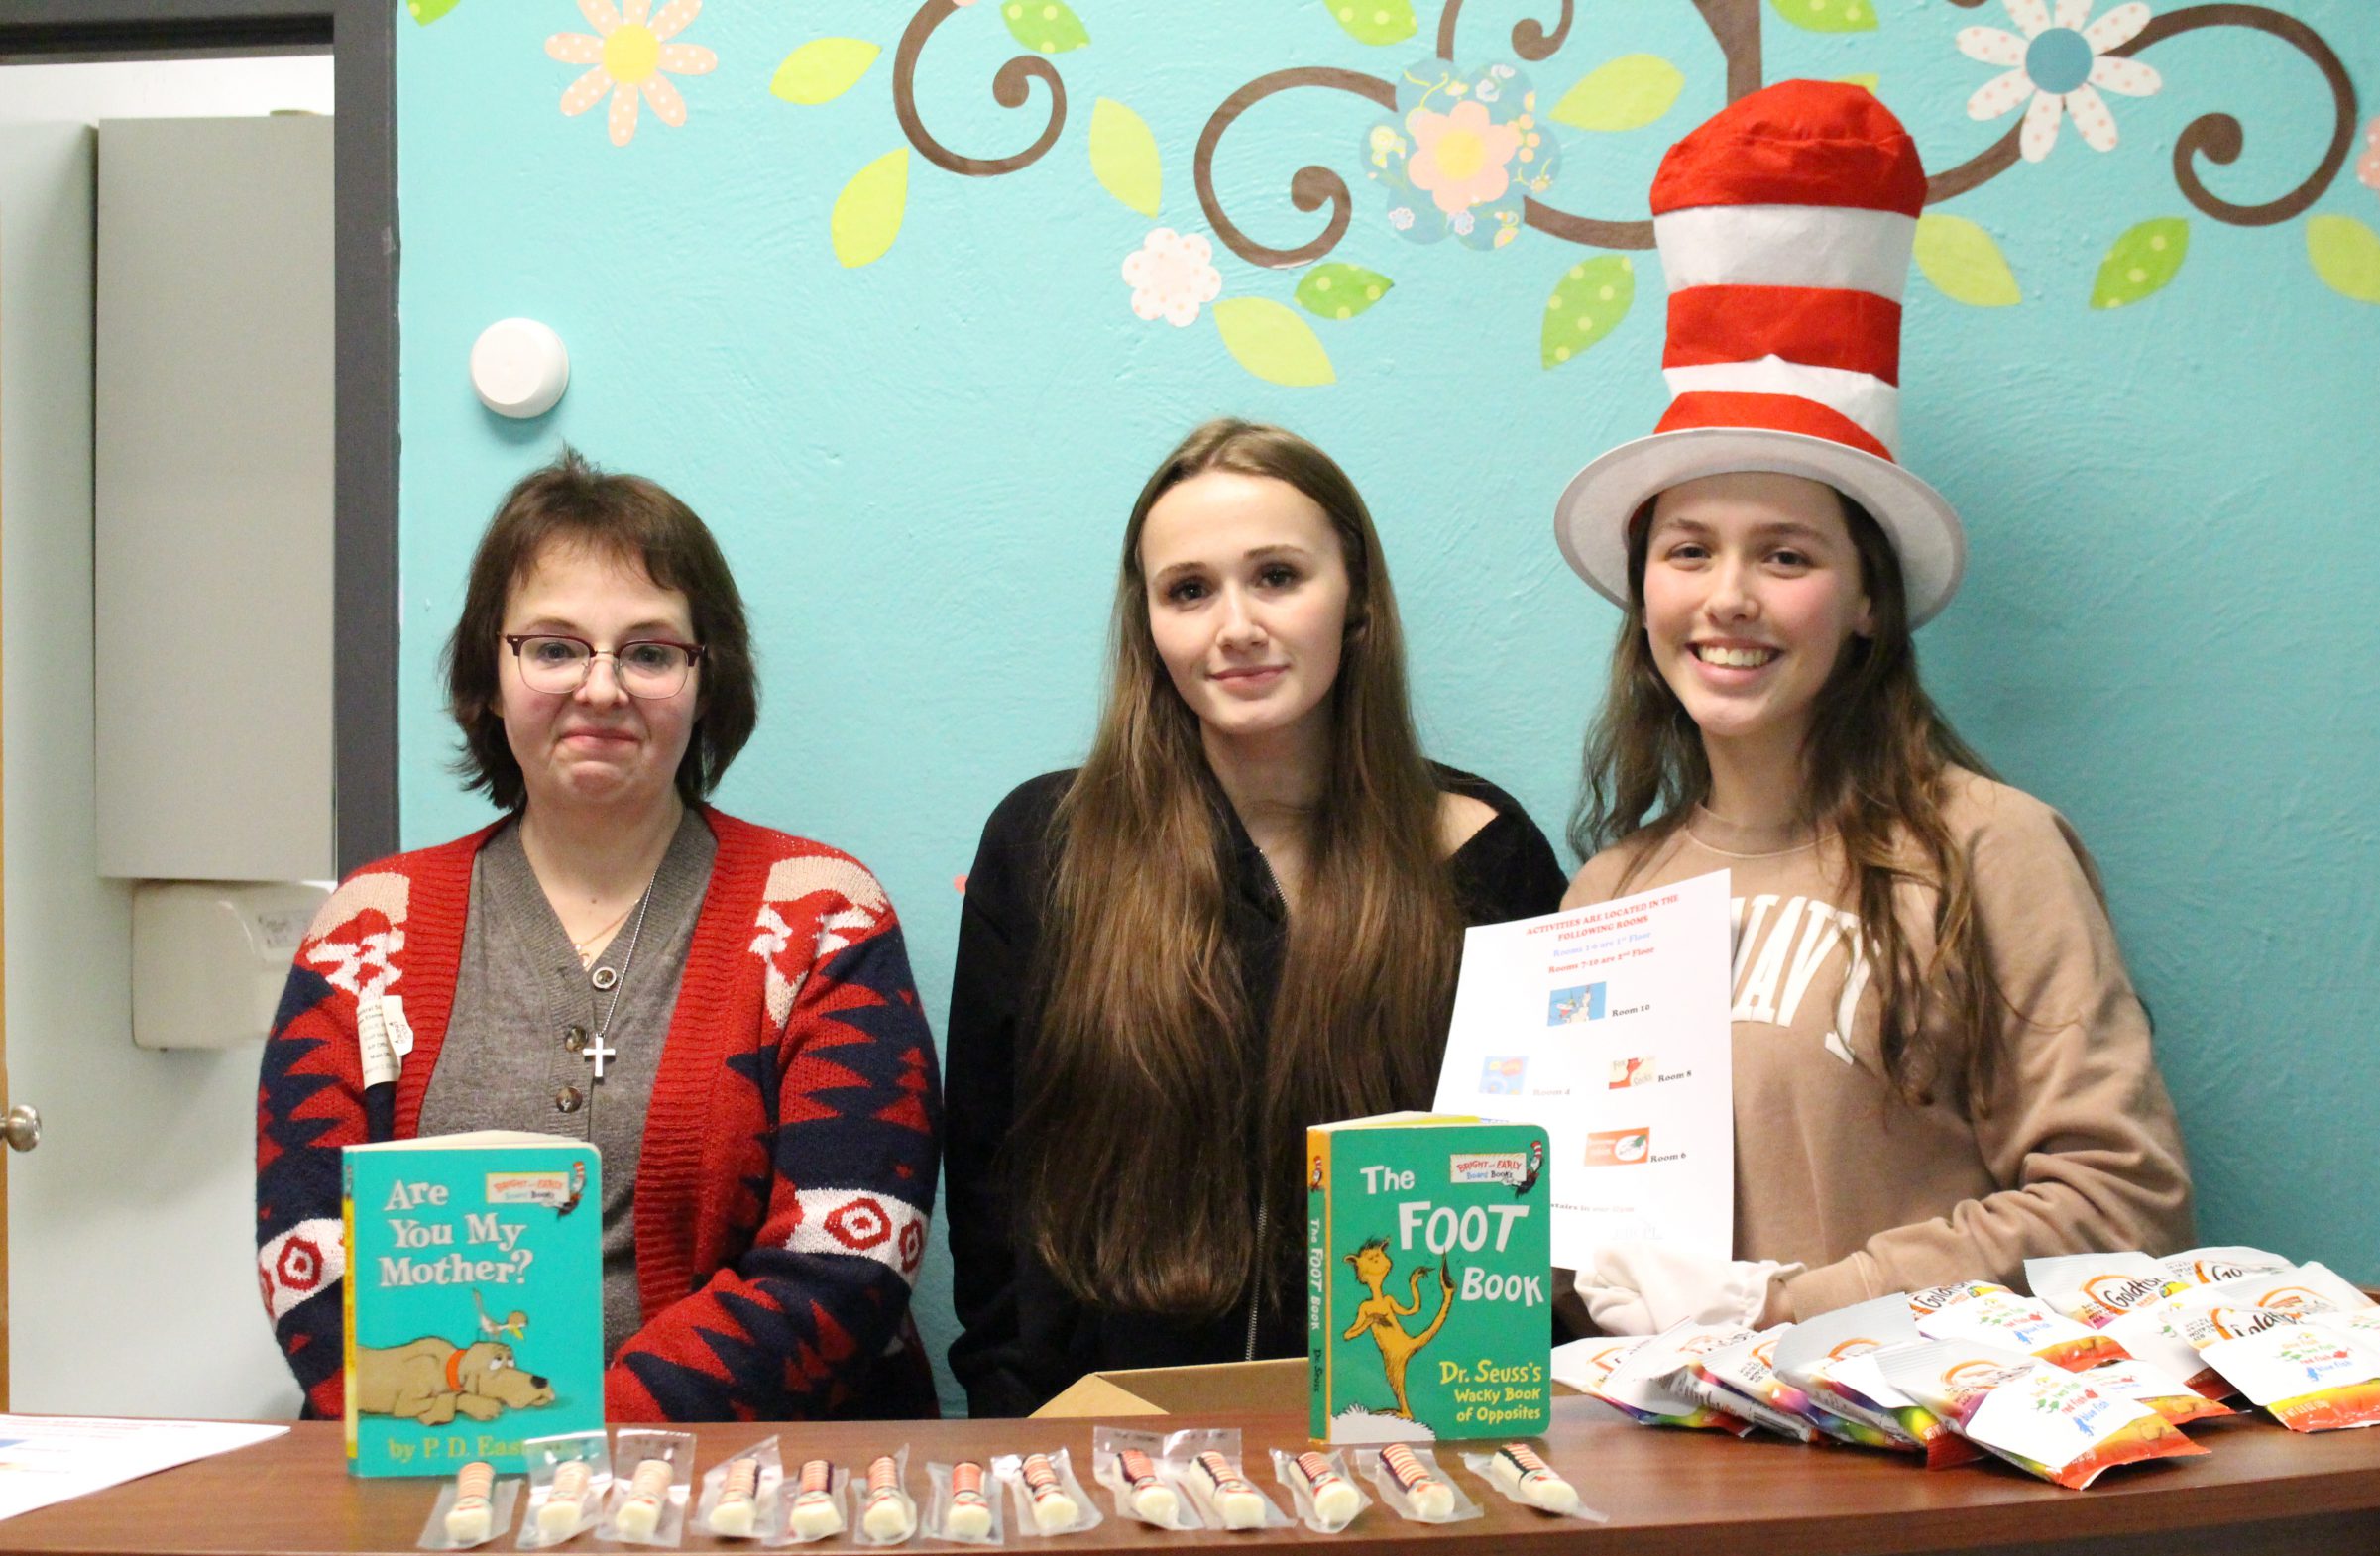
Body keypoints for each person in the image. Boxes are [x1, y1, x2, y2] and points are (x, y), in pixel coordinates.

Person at [1552, 82, 2194, 1336]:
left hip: (1919, 1492)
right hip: (1664, 1496)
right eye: (1688, 551)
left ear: (1863, 602)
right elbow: (1587, 1270)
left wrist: (1789, 1303)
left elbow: (2121, 1203)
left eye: (1785, 556)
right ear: (1642, 591)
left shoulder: (1988, 848)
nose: (1726, 599)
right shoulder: (1605, 900)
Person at [256, 451, 940, 1420]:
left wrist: (574, 1437)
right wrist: (458, 1422)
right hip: (445, 1470)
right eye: (554, 647)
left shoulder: (823, 913)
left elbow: (849, 1261)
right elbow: (306, 1251)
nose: (602, 687)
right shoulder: (369, 928)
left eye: (651, 652)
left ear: (707, 683)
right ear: (490, 677)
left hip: (751, 1496)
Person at [944, 418, 1569, 1416]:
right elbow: (990, 1187)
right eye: (1188, 590)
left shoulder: (1485, 854)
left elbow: (1539, 1188)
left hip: (1411, 1448)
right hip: (1108, 1450)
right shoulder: (1049, 844)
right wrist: (1020, 1422)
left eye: (1276, 576)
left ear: (1355, 597)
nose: (1233, 625)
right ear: (1147, 621)